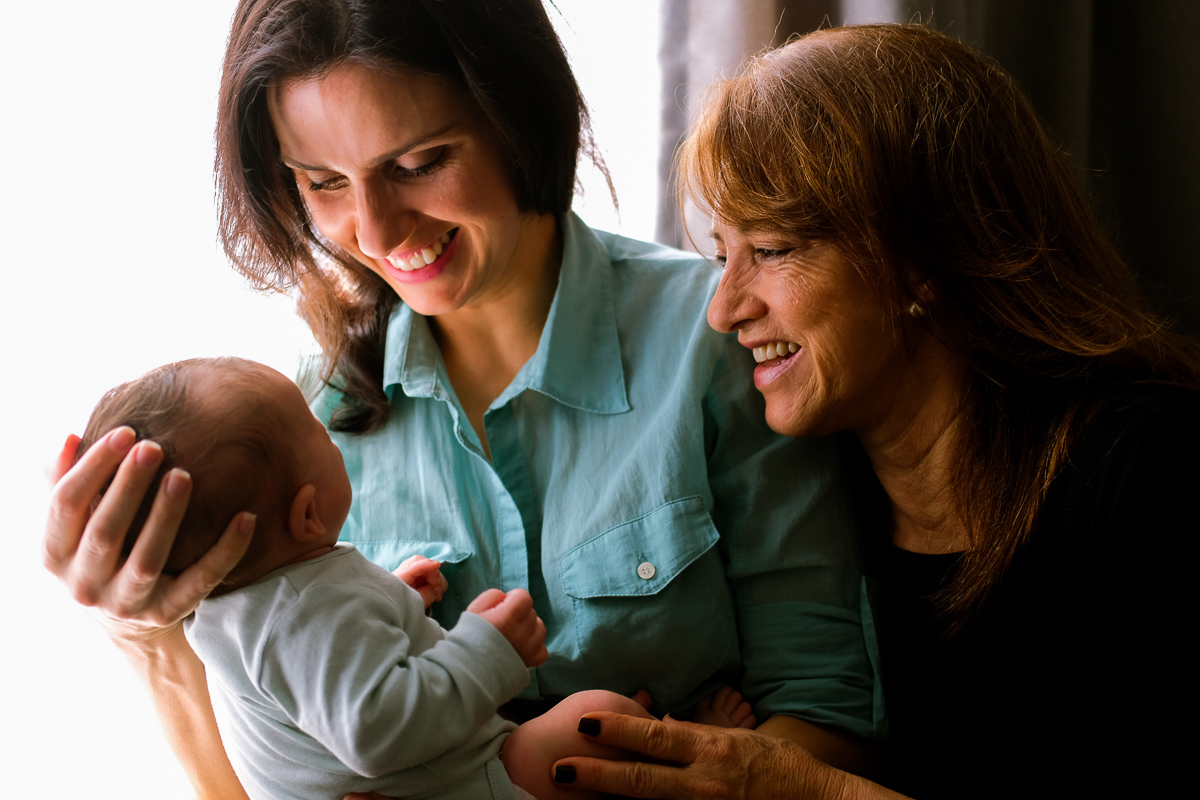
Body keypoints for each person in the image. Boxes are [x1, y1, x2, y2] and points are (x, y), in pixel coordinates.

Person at [42, 2, 882, 797]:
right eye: (323, 181)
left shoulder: (722, 340)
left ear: (516, 117)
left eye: (419, 164)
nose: (376, 233)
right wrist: (147, 634)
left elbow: (824, 718)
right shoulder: (299, 431)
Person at [548, 23, 1199, 800]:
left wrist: (815, 791)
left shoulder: (1157, 469)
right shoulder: (804, 489)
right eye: (723, 256)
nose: (722, 311)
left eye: (775, 249)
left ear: (925, 256)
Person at [75, 355, 665, 800]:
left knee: (596, 731)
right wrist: (489, 650)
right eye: (316, 431)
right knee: (594, 716)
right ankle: (665, 750)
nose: (328, 432)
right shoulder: (306, 614)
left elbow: (323, 662)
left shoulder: (241, 607)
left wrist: (391, 601)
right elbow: (375, 729)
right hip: (454, 786)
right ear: (308, 514)